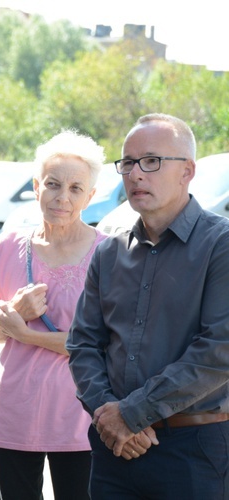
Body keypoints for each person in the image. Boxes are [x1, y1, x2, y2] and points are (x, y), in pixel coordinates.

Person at [68, 114, 229, 499]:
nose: (136, 174)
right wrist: (109, 414)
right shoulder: (109, 252)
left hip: (193, 448)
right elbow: (83, 345)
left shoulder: (220, 245)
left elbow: (218, 351)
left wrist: (132, 414)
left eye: (152, 161)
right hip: (114, 447)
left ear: (187, 171)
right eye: (128, 162)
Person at [0, 130, 107, 500]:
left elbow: (99, 346)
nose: (61, 197)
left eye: (75, 188)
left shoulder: (108, 253)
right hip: (14, 414)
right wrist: (16, 314)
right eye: (52, 184)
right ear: (36, 186)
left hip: (83, 417)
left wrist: (26, 333)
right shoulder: (6, 246)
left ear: (90, 196)